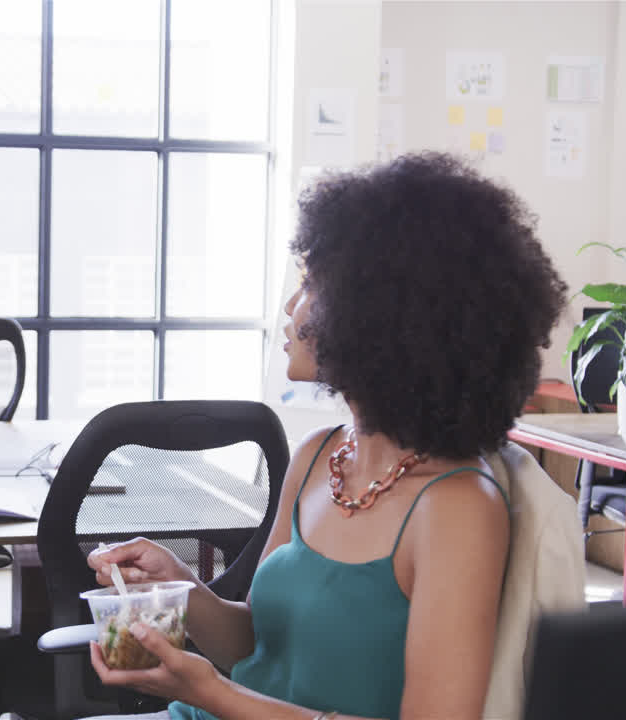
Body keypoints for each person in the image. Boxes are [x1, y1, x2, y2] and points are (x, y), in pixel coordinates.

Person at [87, 152, 567, 720]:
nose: (291, 308)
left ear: (383, 317)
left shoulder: (458, 509)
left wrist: (211, 692)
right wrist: (183, 586)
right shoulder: (320, 454)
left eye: (311, 284)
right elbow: (257, 647)